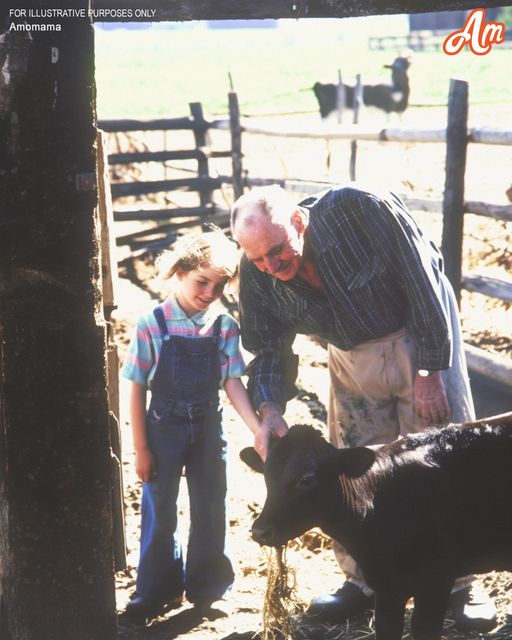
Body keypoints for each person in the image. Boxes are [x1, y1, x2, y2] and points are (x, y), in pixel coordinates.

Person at [230, 183, 497, 632]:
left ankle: (460, 584)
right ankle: (365, 580)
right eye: (257, 259)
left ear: (298, 221)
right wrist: (270, 408)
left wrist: (431, 370)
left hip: (417, 328)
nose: (270, 267)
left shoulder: (360, 211)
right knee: (355, 466)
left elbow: (422, 280)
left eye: (276, 251)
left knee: (441, 456)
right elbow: (268, 349)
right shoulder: (258, 271)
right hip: (351, 350)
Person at [121, 230, 261, 620]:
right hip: (162, 429)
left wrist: (256, 428)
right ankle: (155, 590)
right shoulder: (153, 323)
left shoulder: (224, 326)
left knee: (210, 504)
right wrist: (141, 449)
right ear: (179, 272)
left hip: (207, 430)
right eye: (202, 281)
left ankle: (207, 587)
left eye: (219, 285)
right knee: (160, 508)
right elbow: (134, 387)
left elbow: (232, 381)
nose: (209, 292)